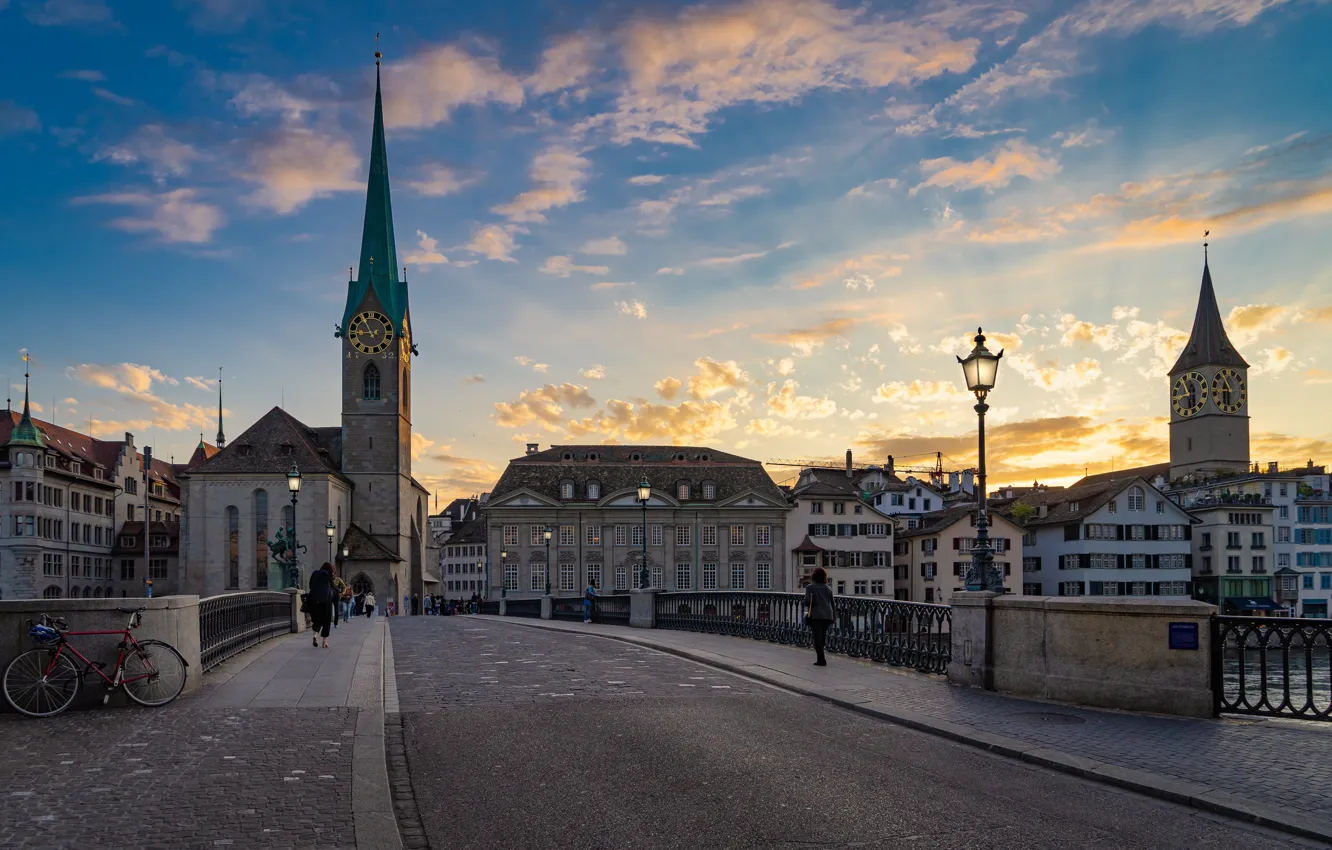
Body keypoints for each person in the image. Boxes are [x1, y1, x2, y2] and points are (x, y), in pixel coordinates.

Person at [803, 567, 835, 666]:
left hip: (816, 615)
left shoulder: (810, 587)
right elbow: (832, 603)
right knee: (822, 636)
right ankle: (821, 657)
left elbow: (806, 601)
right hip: (827, 615)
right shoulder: (828, 588)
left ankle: (821, 660)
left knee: (817, 638)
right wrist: (833, 617)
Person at [307, 562, 336, 649]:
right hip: (326, 600)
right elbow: (333, 586)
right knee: (327, 620)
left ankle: (315, 635)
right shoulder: (328, 575)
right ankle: (324, 642)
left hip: (314, 599)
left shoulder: (315, 573)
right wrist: (339, 590)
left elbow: (310, 585)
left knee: (317, 619)